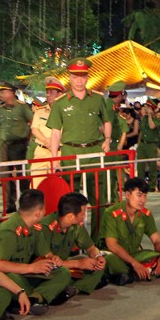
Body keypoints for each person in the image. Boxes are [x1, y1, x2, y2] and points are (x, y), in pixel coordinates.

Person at [0, 188, 72, 313]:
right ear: (38, 213)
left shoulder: (34, 228)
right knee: (11, 277)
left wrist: (53, 259)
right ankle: (40, 297)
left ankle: (34, 299)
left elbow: (46, 253)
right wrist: (32, 268)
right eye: (44, 208)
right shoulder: (9, 230)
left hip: (22, 272)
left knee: (63, 272)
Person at [46, 59, 115, 223]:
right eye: (75, 77)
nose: (79, 81)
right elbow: (55, 133)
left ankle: (98, 239)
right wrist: (55, 157)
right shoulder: (60, 104)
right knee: (70, 199)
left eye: (82, 76)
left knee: (98, 198)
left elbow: (107, 121)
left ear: (87, 77)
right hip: (70, 152)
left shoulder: (97, 100)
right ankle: (73, 240)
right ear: (69, 78)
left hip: (94, 151)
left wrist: (107, 139)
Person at [101, 176, 160, 284]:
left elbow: (157, 240)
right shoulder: (111, 213)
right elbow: (112, 246)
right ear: (128, 195)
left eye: (145, 196)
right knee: (111, 261)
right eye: (139, 195)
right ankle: (147, 270)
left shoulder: (145, 214)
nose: (143, 200)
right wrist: (135, 263)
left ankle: (132, 274)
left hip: (134, 254)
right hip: (116, 256)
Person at [35, 192, 107, 297]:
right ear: (71, 216)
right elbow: (45, 262)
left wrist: (97, 256)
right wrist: (78, 264)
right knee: (63, 273)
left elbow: (90, 247)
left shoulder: (76, 226)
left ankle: (74, 289)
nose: (84, 216)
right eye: (83, 213)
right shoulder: (45, 228)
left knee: (96, 265)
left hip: (64, 264)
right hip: (47, 268)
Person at [0, 84, 34, 213]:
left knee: (22, 175)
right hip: (5, 145)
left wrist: (28, 137)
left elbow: (32, 120)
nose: (2, 95)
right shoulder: (1, 109)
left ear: (12, 93)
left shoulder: (21, 107)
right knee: (5, 176)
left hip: (19, 144)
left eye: (4, 92)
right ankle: (9, 204)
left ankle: (27, 202)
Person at [29, 76, 65, 188]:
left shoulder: (66, 112)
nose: (48, 95)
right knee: (36, 185)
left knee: (58, 186)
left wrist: (54, 143)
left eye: (51, 92)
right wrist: (46, 141)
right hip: (42, 151)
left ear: (60, 95)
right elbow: (34, 129)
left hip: (60, 152)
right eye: (47, 92)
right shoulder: (40, 111)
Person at [136, 99, 160, 189]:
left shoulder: (159, 119)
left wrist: (150, 115)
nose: (145, 109)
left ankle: (151, 186)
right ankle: (140, 185)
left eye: (148, 107)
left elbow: (152, 126)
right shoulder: (143, 119)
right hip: (143, 144)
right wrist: (138, 144)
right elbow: (141, 132)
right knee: (140, 166)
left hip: (152, 145)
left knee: (152, 166)